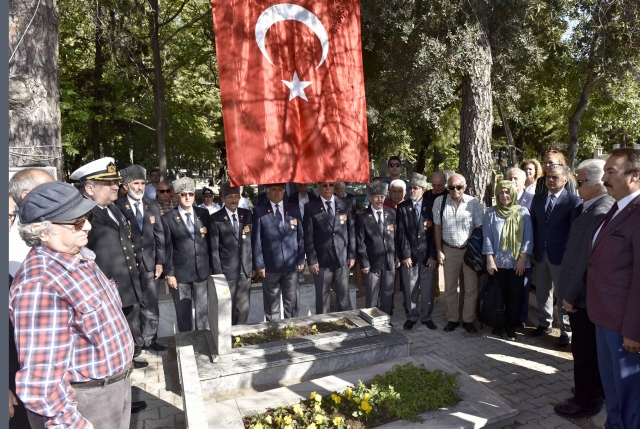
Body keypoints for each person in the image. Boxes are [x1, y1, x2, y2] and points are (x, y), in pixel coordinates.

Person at [10, 182, 135, 428]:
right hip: (86, 403)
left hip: (113, 389)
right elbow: (41, 381)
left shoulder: (78, 256)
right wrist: (72, 424)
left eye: (86, 217)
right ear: (42, 231)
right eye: (76, 222)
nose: (87, 225)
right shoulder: (39, 283)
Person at [71, 158, 149, 385]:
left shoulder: (113, 208)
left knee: (126, 335)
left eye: (116, 182)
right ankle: (118, 385)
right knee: (110, 344)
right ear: (89, 188)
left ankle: (126, 371)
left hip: (125, 286)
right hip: (104, 292)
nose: (116, 186)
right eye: (109, 183)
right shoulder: (84, 215)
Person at [554, 159, 613, 419]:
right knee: (587, 353)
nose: (576, 186)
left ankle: (585, 402)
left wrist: (571, 295)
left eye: (579, 182)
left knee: (585, 353)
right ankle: (589, 392)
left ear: (597, 183)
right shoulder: (592, 208)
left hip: (584, 299)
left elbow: (586, 261)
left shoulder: (601, 210)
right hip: (583, 297)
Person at [586, 148, 640, 429]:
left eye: (611, 171)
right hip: (603, 316)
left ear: (634, 176)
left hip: (624, 326)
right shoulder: (617, 207)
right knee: (613, 391)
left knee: (631, 396)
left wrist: (634, 329)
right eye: (605, 170)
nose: (604, 177)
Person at [116, 165, 167, 352]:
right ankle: (135, 344)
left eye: (142, 183)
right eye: (135, 183)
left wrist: (160, 261)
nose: (139, 187)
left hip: (150, 264)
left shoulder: (151, 204)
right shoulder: (118, 206)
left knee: (151, 304)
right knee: (133, 306)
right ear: (126, 185)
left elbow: (159, 235)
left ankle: (150, 339)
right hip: (129, 266)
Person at [529, 164, 582, 346]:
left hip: (561, 257)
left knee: (562, 294)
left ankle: (566, 331)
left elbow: (574, 233)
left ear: (565, 180)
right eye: (548, 177)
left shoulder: (573, 201)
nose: (551, 181)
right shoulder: (538, 199)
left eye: (555, 177)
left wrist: (570, 257)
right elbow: (534, 226)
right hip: (541, 254)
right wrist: (533, 251)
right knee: (543, 292)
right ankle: (544, 324)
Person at [482, 181, 533, 340]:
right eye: (501, 192)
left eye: (507, 192)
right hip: (498, 263)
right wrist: (489, 260)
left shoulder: (523, 212)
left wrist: (522, 259)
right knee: (499, 296)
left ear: (513, 193)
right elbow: (488, 238)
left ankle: (511, 327)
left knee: (515, 296)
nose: (504, 196)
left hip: (517, 263)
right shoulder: (491, 212)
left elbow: (528, 237)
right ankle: (498, 325)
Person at [433, 174, 484, 333]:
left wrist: (477, 249)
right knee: (450, 288)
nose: (455, 190)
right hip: (449, 250)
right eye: (451, 187)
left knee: (470, 288)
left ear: (465, 186)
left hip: (468, 252)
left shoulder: (473, 203)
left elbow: (480, 227)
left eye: (459, 187)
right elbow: (437, 229)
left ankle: (468, 320)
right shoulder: (439, 202)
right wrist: (439, 250)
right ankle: (452, 319)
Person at [162, 177, 212, 332]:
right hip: (180, 274)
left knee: (202, 312)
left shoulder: (203, 214)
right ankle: (186, 345)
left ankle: (203, 341)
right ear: (177, 196)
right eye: (183, 194)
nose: (188, 197)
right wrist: (169, 274)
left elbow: (210, 241)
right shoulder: (167, 218)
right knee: (183, 313)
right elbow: (166, 248)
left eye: (191, 194)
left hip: (201, 272)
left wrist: (210, 266)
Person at [252, 183, 305, 320]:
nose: (277, 192)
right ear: (267, 192)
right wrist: (259, 264)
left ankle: (291, 328)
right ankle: (273, 330)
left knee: (291, 302)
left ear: (283, 192)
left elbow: (300, 236)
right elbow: (256, 240)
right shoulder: (260, 211)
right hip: (270, 266)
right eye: (273, 189)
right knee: (271, 304)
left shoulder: (293, 209)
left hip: (291, 264)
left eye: (280, 190)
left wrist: (300, 259)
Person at [304, 182, 356, 314]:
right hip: (322, 260)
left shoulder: (345, 203)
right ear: (318, 187)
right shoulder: (310, 206)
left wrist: (351, 254)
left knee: (344, 295)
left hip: (342, 258)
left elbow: (351, 230)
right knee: (322, 296)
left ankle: (347, 323)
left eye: (331, 185)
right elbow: (308, 235)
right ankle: (323, 326)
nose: (328, 188)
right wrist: (312, 260)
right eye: (324, 185)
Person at [396, 173, 438, 330]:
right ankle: (412, 316)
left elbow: (435, 234)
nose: (413, 190)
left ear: (424, 189)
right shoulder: (402, 207)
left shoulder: (431, 206)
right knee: (410, 287)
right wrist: (405, 255)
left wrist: (433, 256)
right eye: (411, 188)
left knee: (427, 289)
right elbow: (401, 234)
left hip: (428, 257)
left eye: (416, 188)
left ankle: (426, 317)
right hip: (411, 257)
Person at [210, 182, 253, 325]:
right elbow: (214, 249)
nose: (234, 200)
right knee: (227, 307)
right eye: (230, 197)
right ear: (222, 199)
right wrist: (218, 274)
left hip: (245, 269)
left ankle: (239, 335)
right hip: (227, 271)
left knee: (243, 307)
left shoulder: (246, 215)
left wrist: (252, 265)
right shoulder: (215, 218)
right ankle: (227, 337)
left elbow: (251, 242)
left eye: (236, 196)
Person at [356, 182, 399, 315]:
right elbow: (360, 242)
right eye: (376, 196)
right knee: (372, 293)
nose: (379, 199)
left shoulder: (391, 213)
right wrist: (364, 262)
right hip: (372, 262)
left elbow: (395, 237)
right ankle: (371, 319)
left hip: (389, 261)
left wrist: (397, 257)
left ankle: (385, 318)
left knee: (388, 292)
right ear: (370, 197)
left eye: (382, 196)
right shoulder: (362, 216)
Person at [8, 168, 55, 277]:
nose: (57, 195)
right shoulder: (12, 231)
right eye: (51, 190)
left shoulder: (57, 223)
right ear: (27, 195)